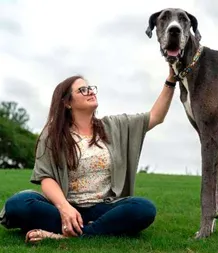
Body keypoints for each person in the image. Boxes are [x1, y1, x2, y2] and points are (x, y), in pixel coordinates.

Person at [0, 65, 177, 243]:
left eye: (90, 88)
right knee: (17, 204)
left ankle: (69, 234)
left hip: (103, 207)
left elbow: (155, 116)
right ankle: (91, 227)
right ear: (67, 103)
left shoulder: (114, 126)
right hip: (63, 207)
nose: (90, 92)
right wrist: (65, 208)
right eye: (82, 90)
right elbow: (46, 178)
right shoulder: (53, 134)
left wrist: (171, 80)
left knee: (143, 208)